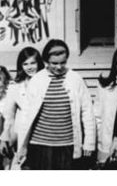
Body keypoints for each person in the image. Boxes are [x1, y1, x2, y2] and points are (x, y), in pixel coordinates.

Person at [14, 39, 95, 170]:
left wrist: (89, 143)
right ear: (46, 61)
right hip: (40, 145)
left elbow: (87, 112)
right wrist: (21, 146)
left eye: (63, 62)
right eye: (54, 63)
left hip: (67, 145)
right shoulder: (37, 80)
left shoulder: (75, 79)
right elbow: (26, 115)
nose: (59, 67)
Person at [0, 46, 44, 167]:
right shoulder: (16, 87)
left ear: (39, 63)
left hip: (43, 133)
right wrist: (4, 138)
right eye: (25, 64)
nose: (29, 67)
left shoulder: (45, 83)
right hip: (23, 134)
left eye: (33, 63)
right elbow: (9, 116)